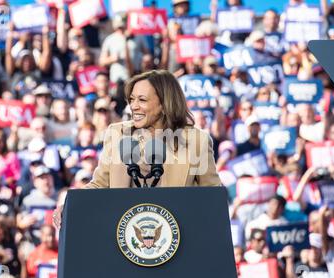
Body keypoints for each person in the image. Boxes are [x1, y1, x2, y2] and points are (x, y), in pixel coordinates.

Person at [52, 70, 222, 227]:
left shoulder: (195, 141)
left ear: (164, 103)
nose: (133, 106)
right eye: (131, 100)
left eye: (142, 100)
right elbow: (101, 184)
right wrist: (71, 205)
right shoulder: (118, 134)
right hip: (124, 236)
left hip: (178, 237)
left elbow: (213, 198)